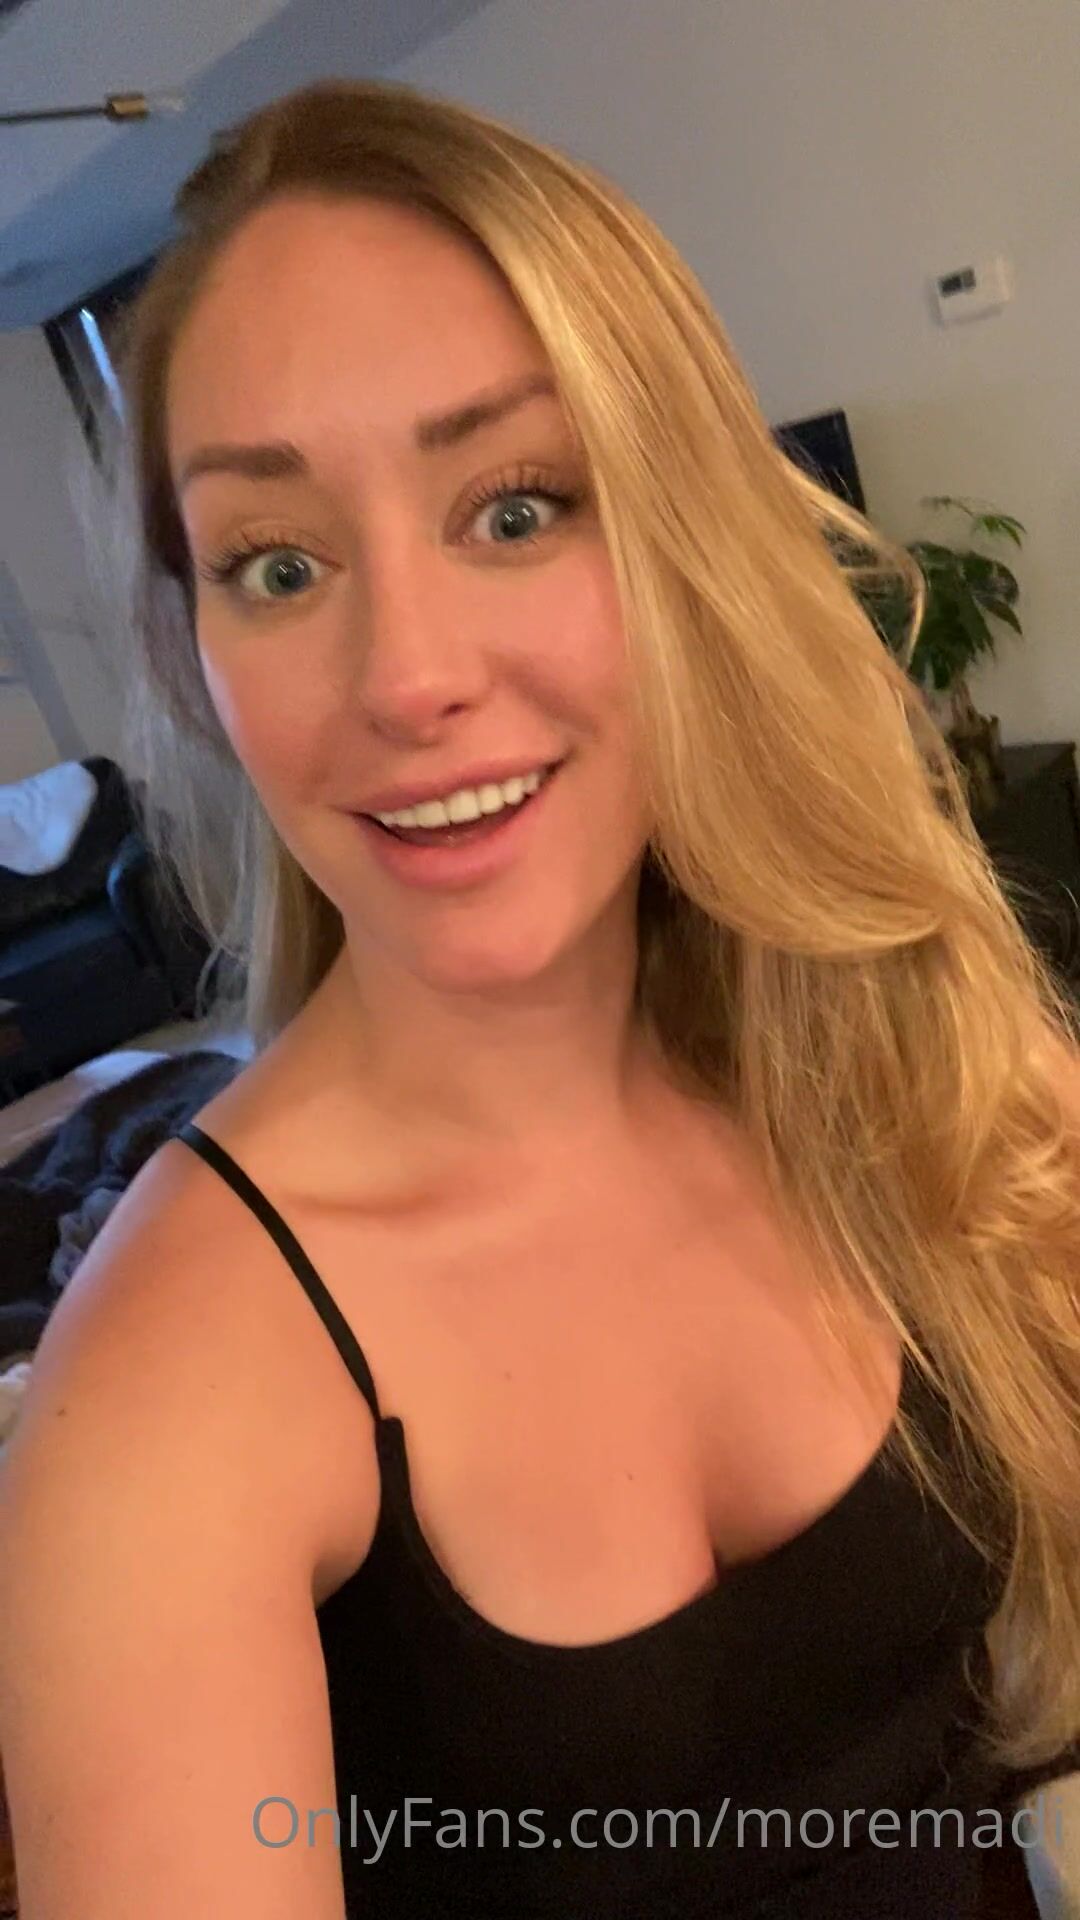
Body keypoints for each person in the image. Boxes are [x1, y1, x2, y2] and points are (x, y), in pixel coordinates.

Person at [1, 77, 1078, 1920]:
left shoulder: (908, 1057)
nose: (408, 677)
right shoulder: (163, 1407)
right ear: (196, 662)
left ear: (689, 540)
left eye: (516, 508)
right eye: (277, 565)